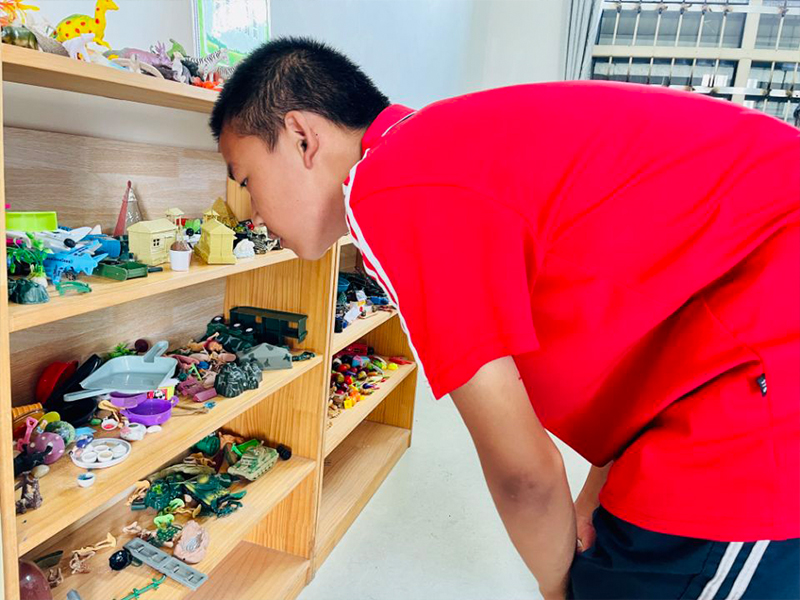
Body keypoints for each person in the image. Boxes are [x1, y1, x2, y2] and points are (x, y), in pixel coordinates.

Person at [210, 38, 799, 600]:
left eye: (247, 181)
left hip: (762, 380)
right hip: (726, 347)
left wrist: (557, 585)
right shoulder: (437, 148)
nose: (253, 214)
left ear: (301, 137)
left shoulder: (393, 189)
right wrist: (596, 491)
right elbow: (647, 317)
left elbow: (524, 474)